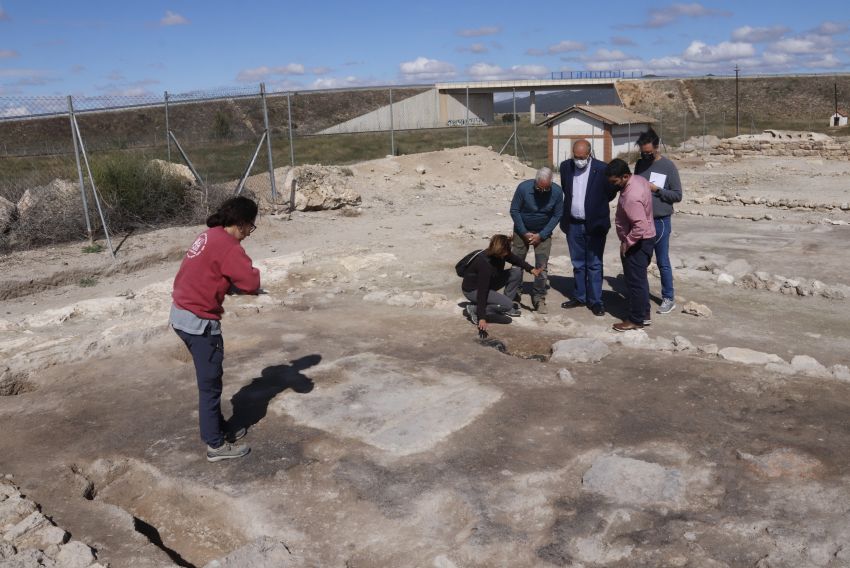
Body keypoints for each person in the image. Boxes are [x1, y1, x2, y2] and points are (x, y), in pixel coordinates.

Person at [170, 196, 261, 462]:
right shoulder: (230, 246)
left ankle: (218, 426)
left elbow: (206, 271)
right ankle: (215, 444)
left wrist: (223, 284)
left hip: (180, 314)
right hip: (200, 322)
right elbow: (250, 281)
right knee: (210, 384)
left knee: (210, 380)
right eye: (250, 228)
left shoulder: (209, 235)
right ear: (243, 223)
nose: (248, 234)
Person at [559, 139, 617, 316]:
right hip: (573, 224)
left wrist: (595, 207)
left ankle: (596, 301)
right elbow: (566, 189)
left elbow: (611, 192)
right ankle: (580, 296)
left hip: (595, 224)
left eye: (582, 157)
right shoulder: (565, 167)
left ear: (589, 154)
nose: (579, 160)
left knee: (594, 264)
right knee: (578, 263)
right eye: (576, 157)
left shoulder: (602, 169)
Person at [634, 128, 682, 315]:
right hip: (641, 221)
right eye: (643, 153)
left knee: (662, 261)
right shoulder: (640, 165)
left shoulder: (668, 166)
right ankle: (640, 294)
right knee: (640, 261)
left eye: (649, 152)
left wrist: (657, 190)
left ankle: (668, 297)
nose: (646, 155)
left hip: (661, 221)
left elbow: (678, 195)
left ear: (656, 147)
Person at [606, 159, 656, 332]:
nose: (613, 186)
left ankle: (636, 319)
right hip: (645, 239)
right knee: (640, 280)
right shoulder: (639, 180)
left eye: (615, 182)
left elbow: (640, 226)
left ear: (625, 176)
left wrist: (627, 243)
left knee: (635, 282)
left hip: (637, 242)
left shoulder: (631, 197)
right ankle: (644, 313)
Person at [508, 167, 563, 314]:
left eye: (546, 189)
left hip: (543, 232)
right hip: (521, 231)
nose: (543, 192)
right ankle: (514, 294)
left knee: (542, 266)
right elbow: (514, 210)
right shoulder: (523, 188)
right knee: (516, 264)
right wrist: (524, 232)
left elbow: (557, 215)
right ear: (535, 182)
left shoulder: (557, 192)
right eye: (540, 188)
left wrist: (542, 235)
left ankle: (539, 297)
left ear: (551, 182)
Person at [461, 234, 543, 333]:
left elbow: (516, 260)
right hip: (473, 290)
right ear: (499, 251)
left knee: (516, 271)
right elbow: (483, 291)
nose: (507, 254)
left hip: (489, 282)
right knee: (508, 305)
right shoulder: (484, 264)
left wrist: (531, 269)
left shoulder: (500, 252)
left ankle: (504, 304)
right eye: (505, 252)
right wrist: (482, 317)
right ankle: (474, 309)